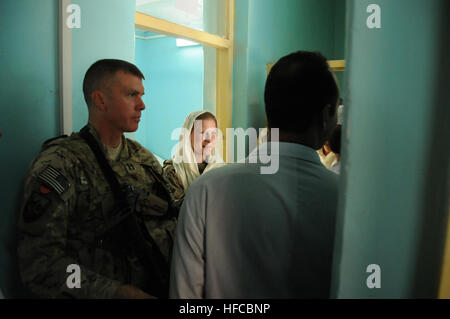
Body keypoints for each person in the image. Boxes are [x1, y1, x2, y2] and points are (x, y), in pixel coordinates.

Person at [169, 51, 340, 298]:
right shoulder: (346, 201)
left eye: (213, 134)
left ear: (269, 110)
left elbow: (185, 295)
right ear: (326, 116)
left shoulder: (206, 190)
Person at [17, 59, 181, 299]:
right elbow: (40, 263)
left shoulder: (144, 159)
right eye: (132, 95)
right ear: (100, 100)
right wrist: (114, 293)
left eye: (141, 95)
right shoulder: (62, 164)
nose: (142, 105)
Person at [162, 110, 225, 206]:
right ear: (187, 135)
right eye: (202, 132)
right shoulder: (173, 172)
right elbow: (181, 211)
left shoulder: (222, 169)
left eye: (213, 134)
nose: (209, 139)